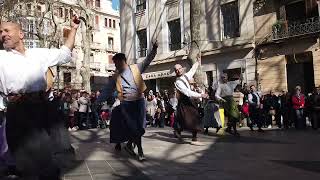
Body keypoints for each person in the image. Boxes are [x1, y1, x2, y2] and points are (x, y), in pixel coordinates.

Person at [0, 16, 79, 179]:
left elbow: (65, 53)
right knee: (30, 163)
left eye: (7, 30)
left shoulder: (38, 54)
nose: (3, 34)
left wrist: (74, 29)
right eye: (0, 32)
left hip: (44, 109)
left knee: (56, 156)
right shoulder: (1, 57)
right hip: (19, 112)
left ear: (21, 34)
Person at [97, 41, 158, 161]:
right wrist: (98, 100)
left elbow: (148, 60)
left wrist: (154, 48)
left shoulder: (136, 68)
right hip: (126, 103)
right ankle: (140, 151)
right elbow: (107, 90)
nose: (115, 66)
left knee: (139, 127)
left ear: (121, 61)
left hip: (139, 101)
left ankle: (130, 145)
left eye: (115, 63)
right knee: (134, 127)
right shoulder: (115, 76)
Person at [173, 55, 209, 145]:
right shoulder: (178, 82)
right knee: (188, 119)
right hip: (184, 102)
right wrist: (201, 95)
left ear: (182, 69)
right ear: (175, 72)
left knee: (193, 117)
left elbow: (192, 70)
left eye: (179, 68)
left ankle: (193, 137)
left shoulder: (185, 76)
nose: (178, 70)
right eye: (176, 70)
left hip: (190, 100)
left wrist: (197, 61)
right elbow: (187, 92)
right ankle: (180, 131)